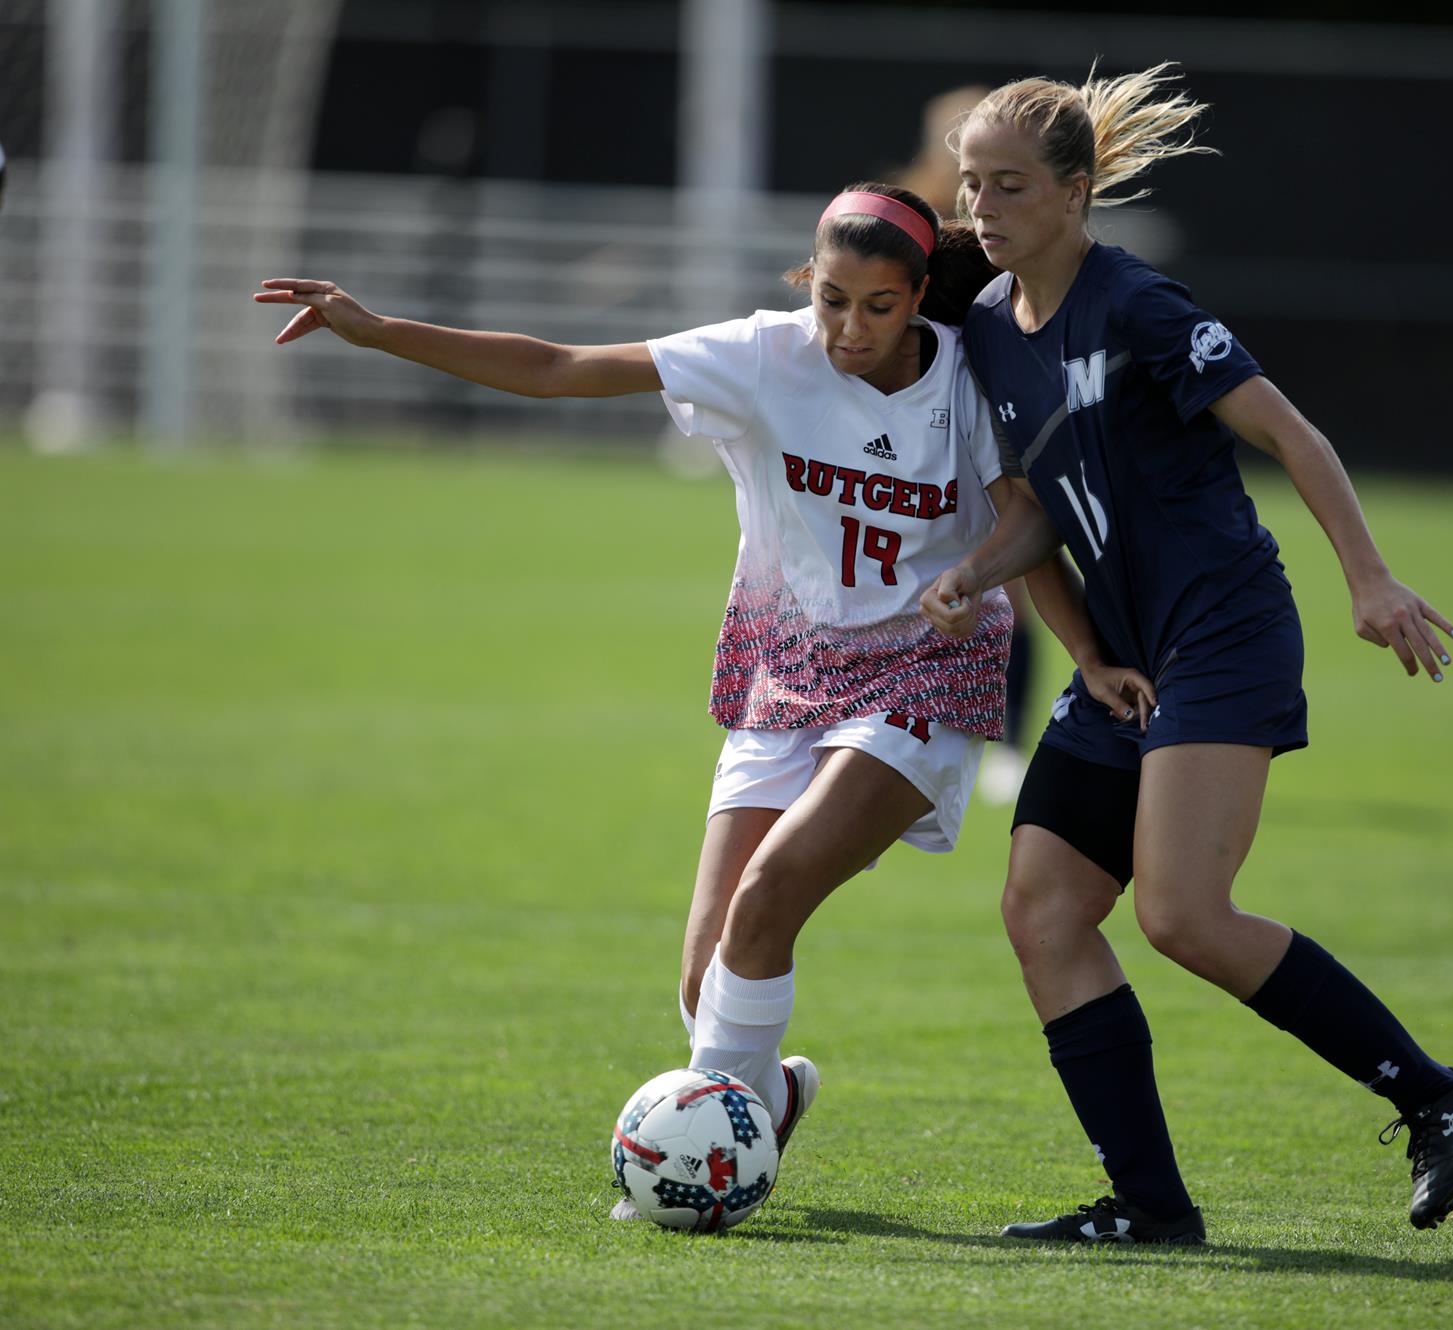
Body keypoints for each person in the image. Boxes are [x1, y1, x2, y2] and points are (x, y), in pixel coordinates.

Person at [253, 181, 1109, 1219]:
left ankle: (697, 1166)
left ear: (921, 294)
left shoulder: (968, 381)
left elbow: (1032, 526)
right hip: (784, 672)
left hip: (926, 674)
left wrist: (1048, 630)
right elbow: (561, 368)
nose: (848, 327)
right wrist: (378, 329)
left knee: (769, 896)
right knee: (707, 975)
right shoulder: (764, 354)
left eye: (878, 305)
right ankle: (765, 1100)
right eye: (831, 298)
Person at [922, 65, 1453, 1244]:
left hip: (1223, 631)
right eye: (972, 185)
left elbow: (1289, 430)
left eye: (1011, 186)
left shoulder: (1136, 303)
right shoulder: (988, 328)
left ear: (1078, 193)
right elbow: (1036, 507)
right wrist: (1004, 592)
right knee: (1042, 908)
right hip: (1128, 654)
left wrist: (1370, 578)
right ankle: (1149, 1206)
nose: (982, 208)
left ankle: (1438, 1094)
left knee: (1184, 914)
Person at [893, 86, 1039, 803]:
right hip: (915, 421)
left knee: (1015, 578)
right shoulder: (908, 205)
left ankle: (1009, 741)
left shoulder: (1010, 218)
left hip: (993, 407)